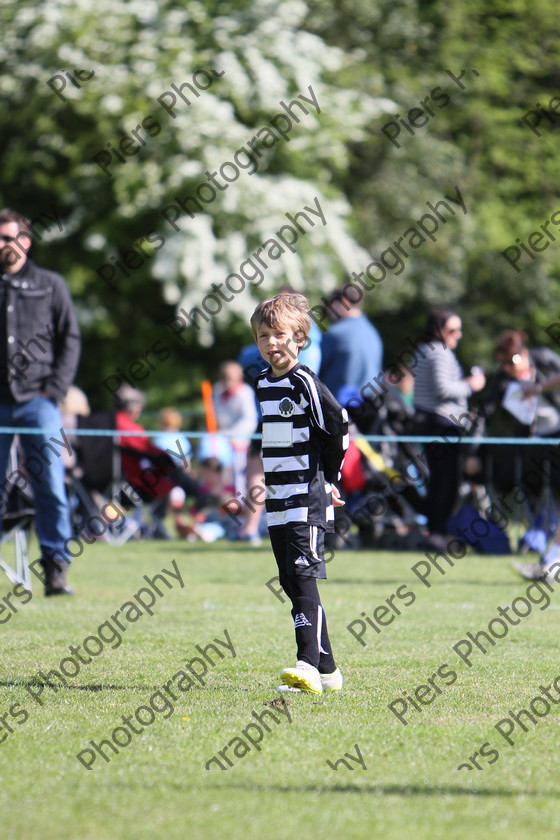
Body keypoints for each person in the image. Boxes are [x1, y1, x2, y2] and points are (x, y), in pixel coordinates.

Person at [251, 292, 348, 695]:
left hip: (307, 496)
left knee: (303, 576)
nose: (270, 342)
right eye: (262, 335)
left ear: (300, 338)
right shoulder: (261, 383)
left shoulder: (305, 382)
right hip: (277, 498)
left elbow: (338, 426)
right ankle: (328, 670)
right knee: (291, 580)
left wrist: (330, 479)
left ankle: (306, 665)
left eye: (278, 334)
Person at [0, 207, 81, 595]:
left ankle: (55, 567)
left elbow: (70, 339)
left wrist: (56, 390)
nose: (0, 244)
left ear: (25, 241)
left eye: (6, 237)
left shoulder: (50, 284)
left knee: (50, 483)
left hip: (39, 400)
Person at [484, 330, 560, 580]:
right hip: (538, 442)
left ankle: (550, 561)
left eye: (512, 361)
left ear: (524, 354)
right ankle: (549, 560)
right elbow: (486, 410)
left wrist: (537, 388)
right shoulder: (503, 379)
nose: (507, 368)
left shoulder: (545, 358)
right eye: (503, 363)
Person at [412, 308, 485, 549]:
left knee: (440, 480)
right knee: (446, 481)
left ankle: (436, 531)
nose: (459, 334)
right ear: (438, 330)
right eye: (453, 329)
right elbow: (443, 390)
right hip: (442, 424)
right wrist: (471, 385)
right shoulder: (439, 353)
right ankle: (437, 533)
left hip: (434, 423)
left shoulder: (426, 351)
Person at [319, 286, 383, 405]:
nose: (328, 310)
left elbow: (317, 372)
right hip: (370, 409)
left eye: (331, 304)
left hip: (339, 409)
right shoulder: (373, 333)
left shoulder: (336, 332)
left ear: (344, 301)